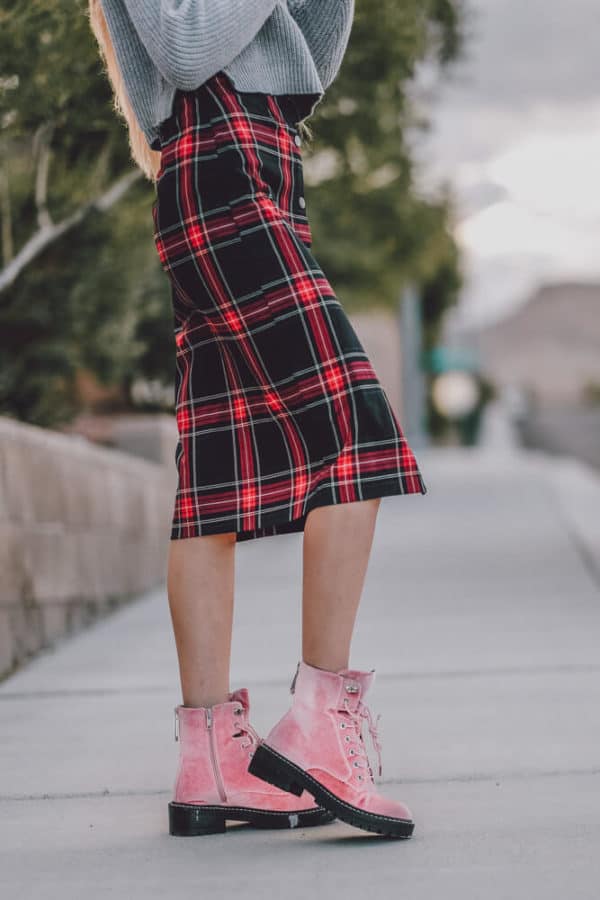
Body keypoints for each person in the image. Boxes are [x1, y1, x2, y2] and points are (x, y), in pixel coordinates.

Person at [89, 0, 427, 839]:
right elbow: (189, 44)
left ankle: (209, 760)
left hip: (263, 153)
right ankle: (318, 723)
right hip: (220, 158)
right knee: (356, 434)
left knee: (213, 478)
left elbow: (308, 60)